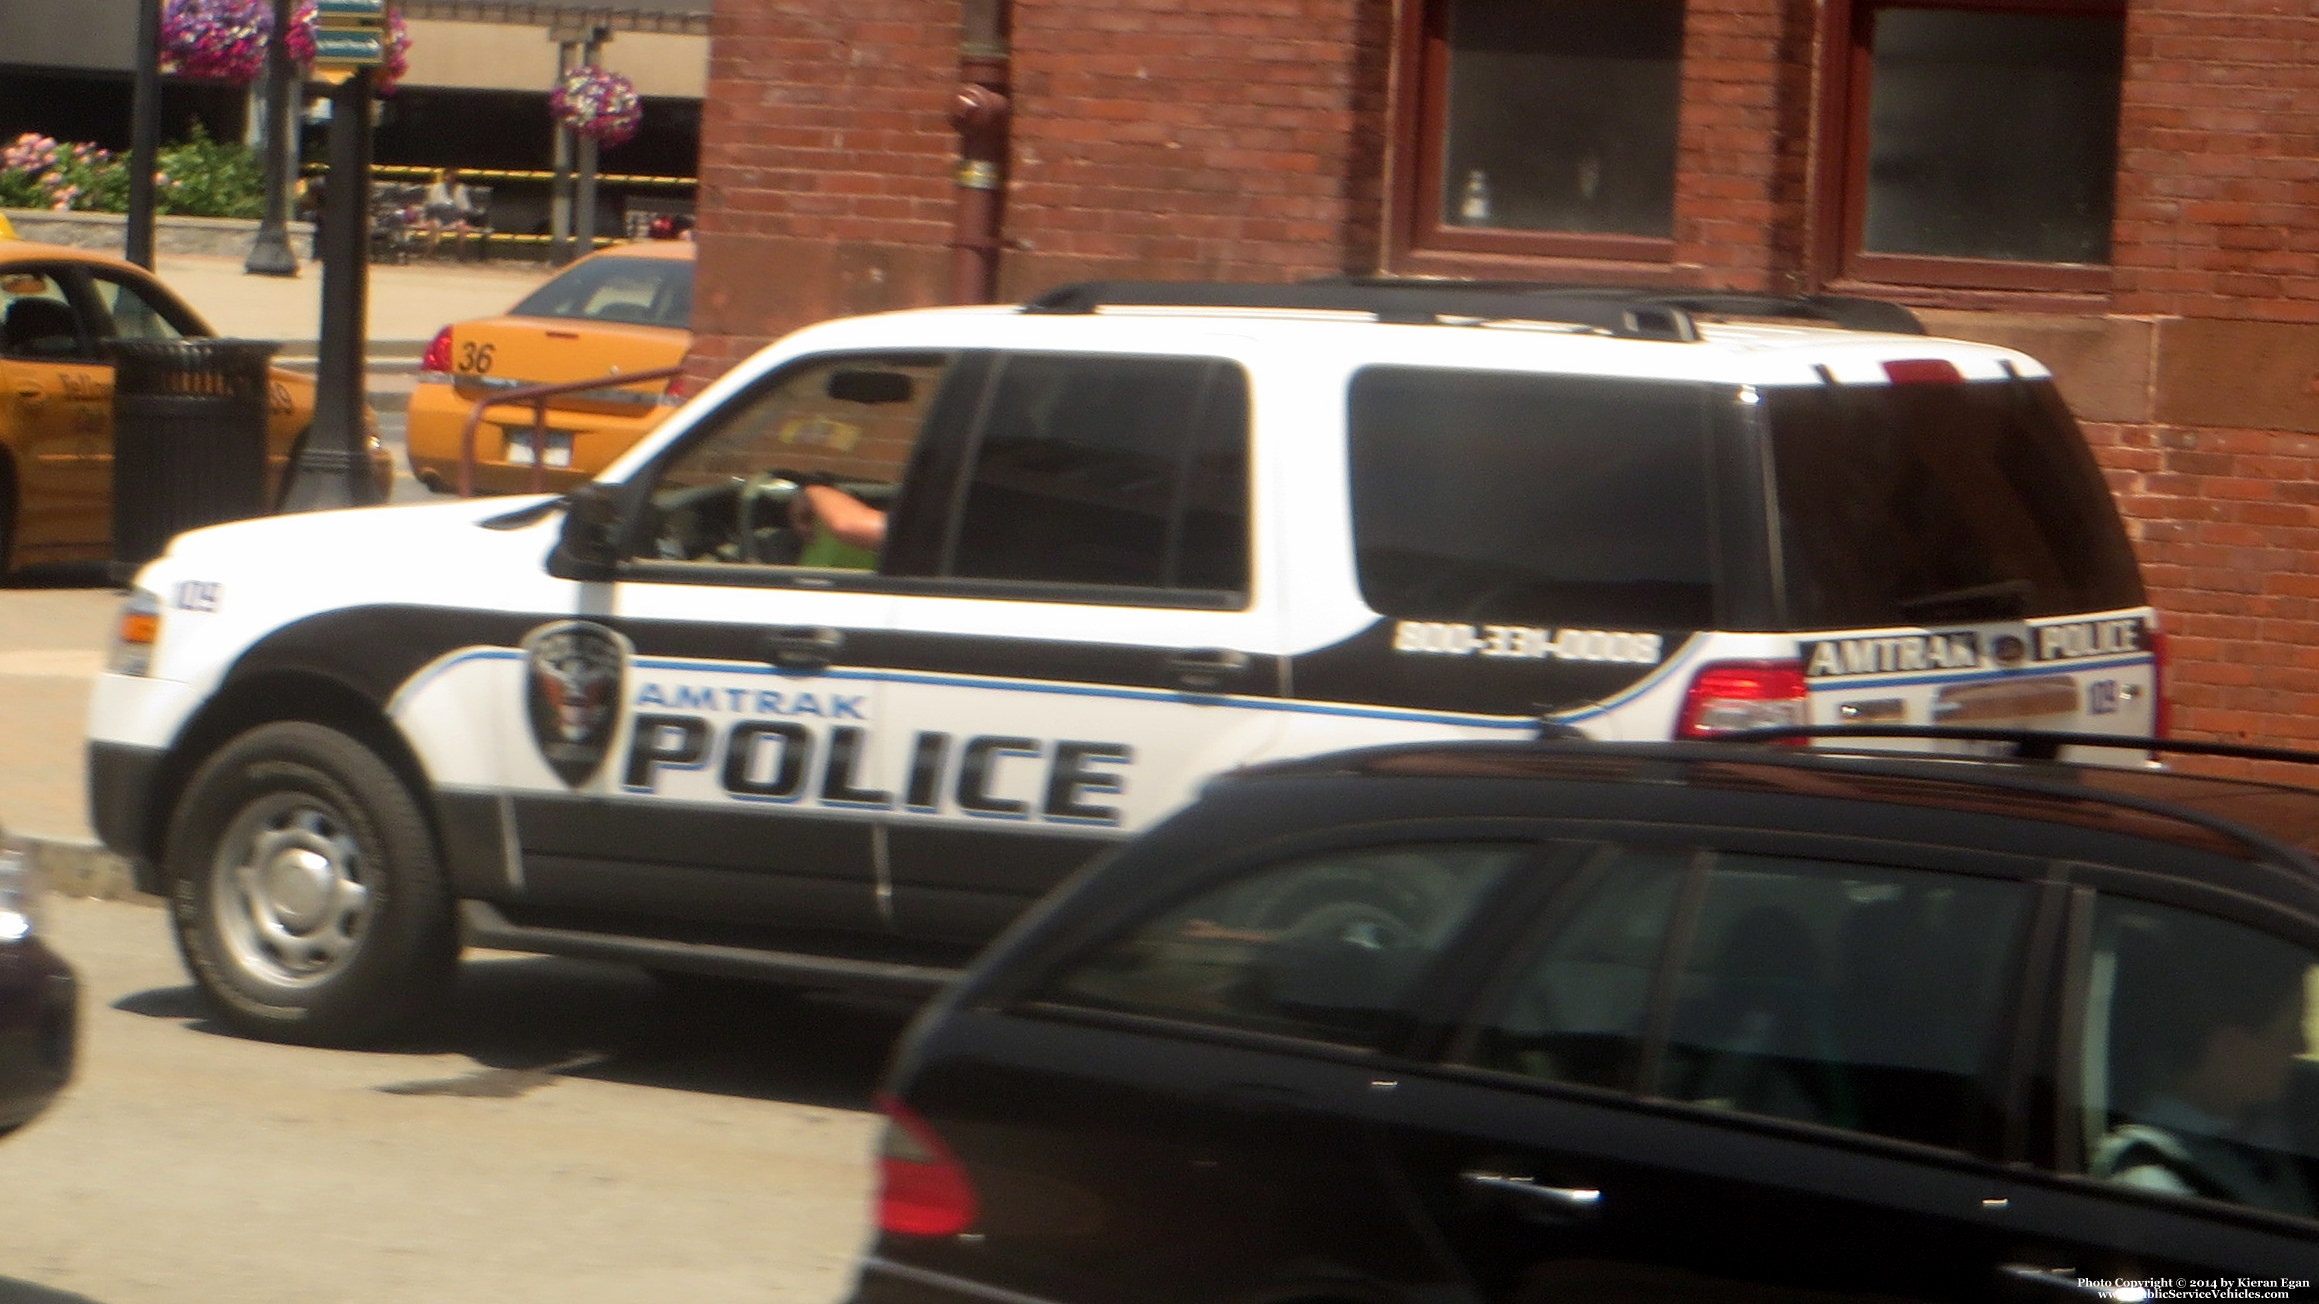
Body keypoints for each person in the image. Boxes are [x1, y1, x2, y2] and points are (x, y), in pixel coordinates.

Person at [2094, 930, 2316, 1216]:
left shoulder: (2269, 1124)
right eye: (2288, 1032)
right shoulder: (2154, 1182)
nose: (2302, 1045)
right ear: (2231, 1048)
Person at [420, 167, 474, 256]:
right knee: (433, 224)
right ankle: (429, 252)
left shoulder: (460, 189)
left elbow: (466, 208)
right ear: (444, 176)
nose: (452, 177)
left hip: (454, 218)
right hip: (438, 218)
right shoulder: (435, 188)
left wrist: (456, 211)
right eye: (449, 175)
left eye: (453, 175)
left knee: (462, 225)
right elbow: (430, 205)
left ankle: (460, 254)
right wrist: (443, 207)